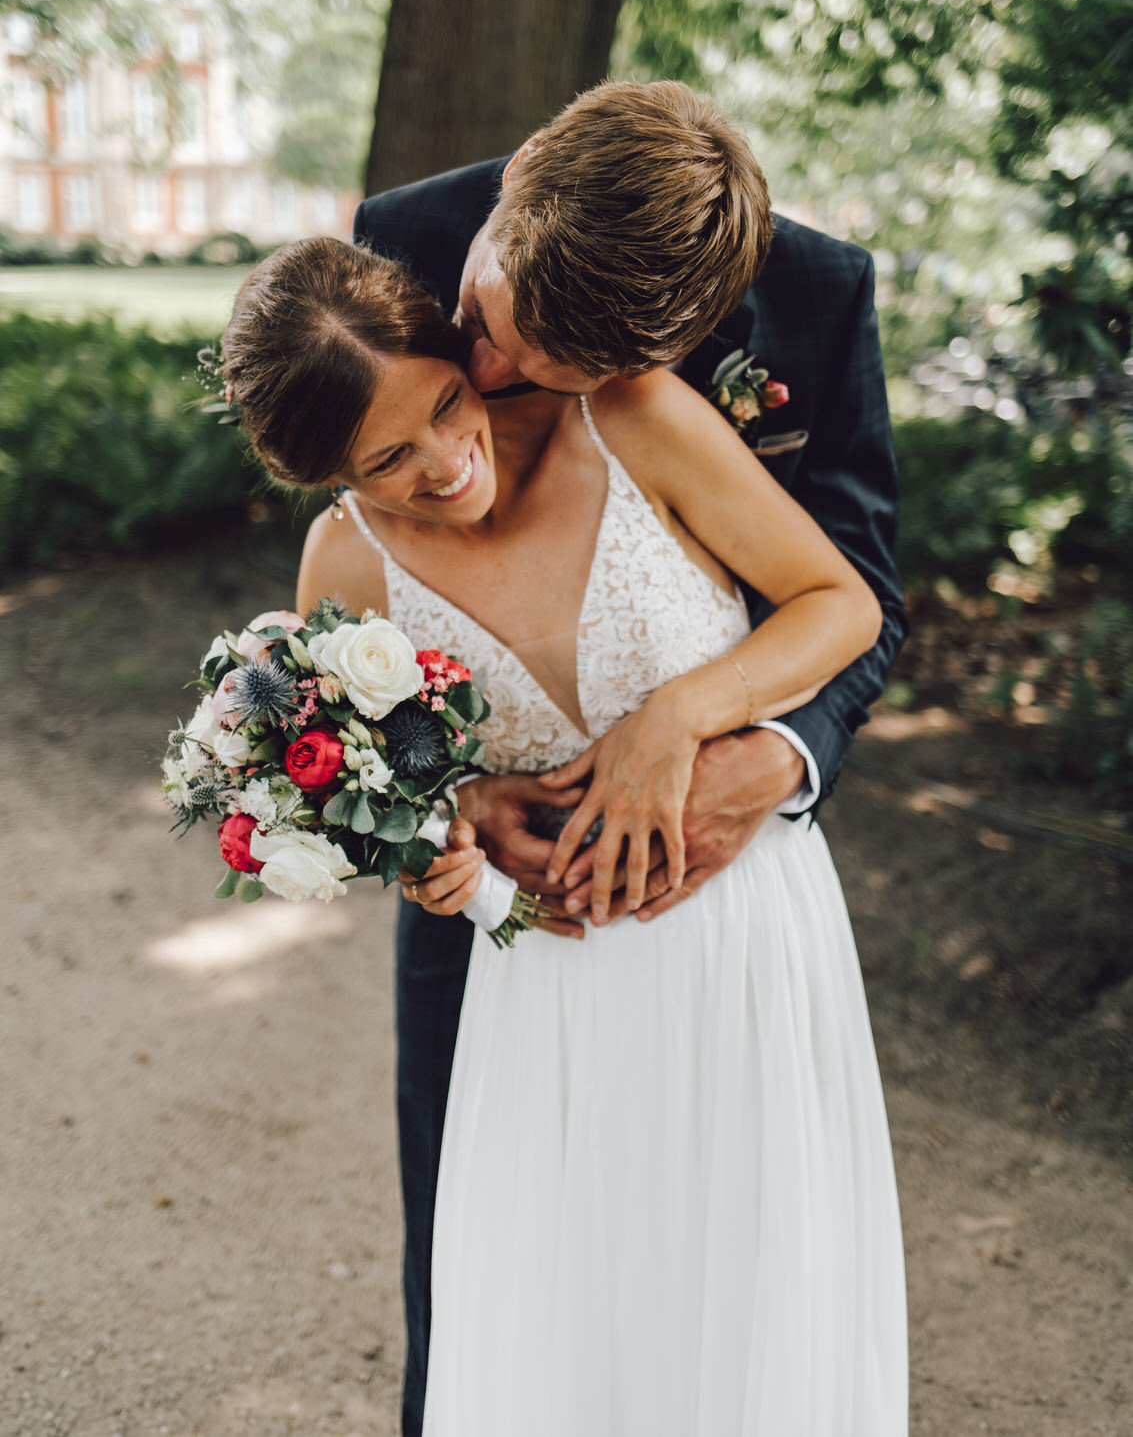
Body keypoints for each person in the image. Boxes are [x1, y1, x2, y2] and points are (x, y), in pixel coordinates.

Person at [221, 180, 908, 1432]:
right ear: (312, 473)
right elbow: (392, 782)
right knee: (549, 1301)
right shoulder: (341, 564)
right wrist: (446, 821)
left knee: (746, 1282)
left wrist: (686, 715)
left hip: (733, 929)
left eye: (446, 402)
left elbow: (844, 598)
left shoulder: (636, 411)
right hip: (541, 977)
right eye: (386, 460)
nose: (445, 458)